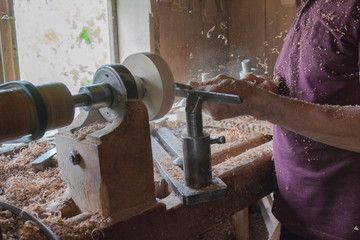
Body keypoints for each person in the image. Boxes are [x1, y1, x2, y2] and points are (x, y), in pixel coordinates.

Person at [199, 0, 360, 239]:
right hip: (298, 210)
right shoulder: (312, 5)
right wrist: (269, 90)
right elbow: (317, 89)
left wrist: (261, 103)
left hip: (343, 223)